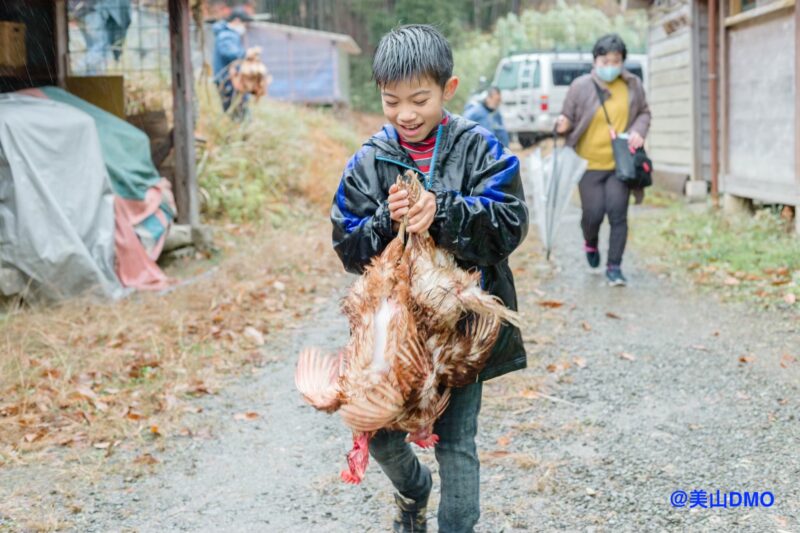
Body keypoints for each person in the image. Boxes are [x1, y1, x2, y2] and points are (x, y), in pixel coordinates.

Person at [331, 24, 528, 533]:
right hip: (392, 338)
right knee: (379, 432)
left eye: (419, 99)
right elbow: (347, 245)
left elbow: (510, 224)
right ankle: (413, 488)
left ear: (448, 89)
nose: (405, 113)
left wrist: (443, 212)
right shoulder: (368, 161)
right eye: (391, 101)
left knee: (457, 442)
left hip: (459, 334)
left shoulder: (480, 148)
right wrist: (384, 220)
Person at [556, 33, 651, 287]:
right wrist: (562, 124)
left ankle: (614, 268)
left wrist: (638, 131)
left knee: (618, 213)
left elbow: (644, 112)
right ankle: (590, 243)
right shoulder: (580, 86)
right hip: (587, 165)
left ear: (622, 61)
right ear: (595, 61)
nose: (610, 66)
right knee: (593, 214)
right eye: (605, 61)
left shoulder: (632, 85)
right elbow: (567, 118)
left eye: (616, 61)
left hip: (620, 164)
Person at [212, 7, 253, 119]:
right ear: (237, 20)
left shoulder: (229, 34)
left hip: (230, 79)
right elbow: (229, 53)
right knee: (236, 111)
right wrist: (246, 53)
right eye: (244, 23)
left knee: (238, 110)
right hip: (228, 81)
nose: (245, 27)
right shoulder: (227, 35)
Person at [72, 0, 132, 74]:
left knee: (94, 48)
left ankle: (89, 76)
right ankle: (78, 71)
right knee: (101, 48)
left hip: (83, 11)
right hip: (92, 11)